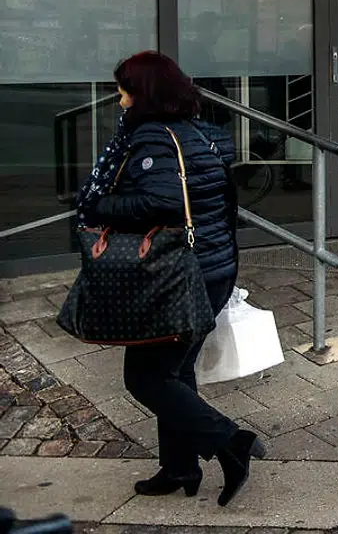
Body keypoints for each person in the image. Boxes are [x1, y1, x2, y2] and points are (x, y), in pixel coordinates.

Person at [77, 51, 263, 506]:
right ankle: (179, 468)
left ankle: (231, 442)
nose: (119, 97)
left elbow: (160, 203)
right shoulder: (198, 132)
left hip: (180, 275)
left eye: (124, 88)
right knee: (175, 372)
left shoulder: (153, 138)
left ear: (144, 92)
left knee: (145, 378)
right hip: (212, 268)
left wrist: (100, 207)